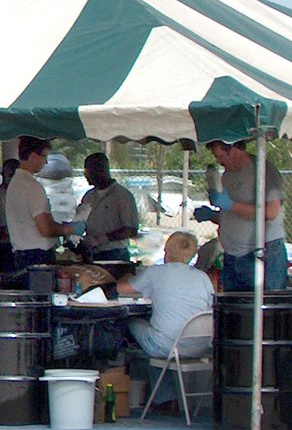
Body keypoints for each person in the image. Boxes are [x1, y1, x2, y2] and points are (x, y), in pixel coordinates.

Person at [197, 139, 287, 292]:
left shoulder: (262, 170)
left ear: (233, 149)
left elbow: (271, 212)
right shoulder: (227, 175)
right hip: (233, 256)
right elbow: (235, 216)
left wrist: (230, 204)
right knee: (235, 310)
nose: (218, 161)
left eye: (220, 156)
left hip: (261, 253)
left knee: (263, 310)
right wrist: (213, 215)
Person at [116, 231, 214, 360]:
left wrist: (126, 276)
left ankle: (129, 371)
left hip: (166, 347)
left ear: (166, 250)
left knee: (130, 322)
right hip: (200, 347)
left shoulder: (155, 272)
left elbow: (121, 288)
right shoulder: (203, 277)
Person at [5, 136, 77, 270]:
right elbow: (45, 229)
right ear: (33, 156)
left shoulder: (15, 184)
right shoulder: (32, 186)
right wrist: (67, 229)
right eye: (44, 156)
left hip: (22, 253)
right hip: (37, 255)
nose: (46, 161)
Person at [76, 152, 139, 263]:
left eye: (87, 171)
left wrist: (103, 238)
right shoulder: (88, 196)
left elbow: (131, 229)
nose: (85, 176)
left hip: (115, 254)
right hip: (91, 253)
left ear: (101, 170)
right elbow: (81, 222)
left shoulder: (122, 196)